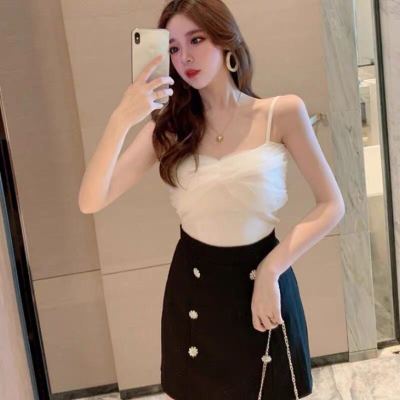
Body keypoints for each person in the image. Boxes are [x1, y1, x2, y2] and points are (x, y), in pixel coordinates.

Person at [78, 0, 345, 398]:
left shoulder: (281, 113)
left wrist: (272, 270)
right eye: (172, 47)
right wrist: (121, 119)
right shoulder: (167, 130)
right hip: (195, 287)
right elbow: (90, 200)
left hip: (264, 280)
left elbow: (331, 204)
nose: (184, 57)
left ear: (225, 41)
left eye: (196, 40)